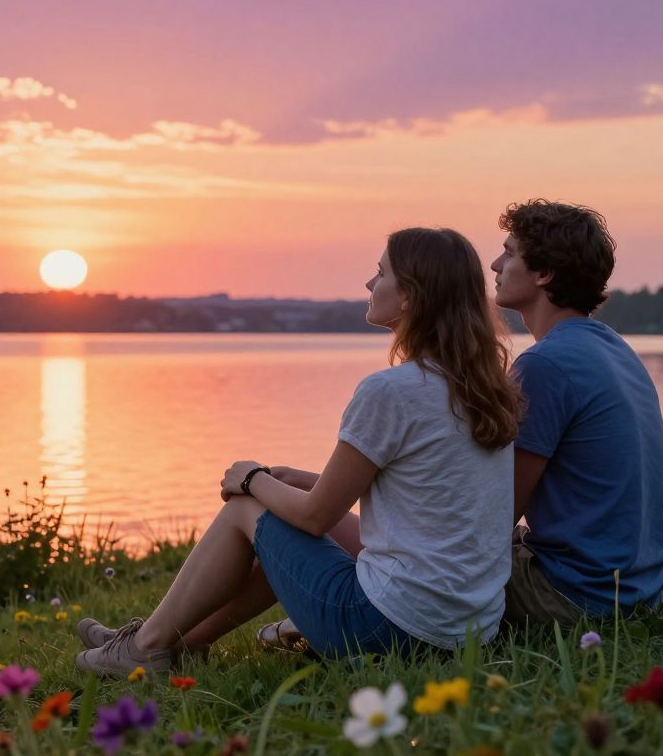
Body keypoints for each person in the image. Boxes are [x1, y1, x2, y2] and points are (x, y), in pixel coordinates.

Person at [74, 228, 523, 675]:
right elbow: (418, 489)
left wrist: (254, 479)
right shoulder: (482, 388)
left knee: (246, 510)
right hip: (467, 632)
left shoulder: (390, 391)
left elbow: (315, 518)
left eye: (380, 273)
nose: (369, 285)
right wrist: (301, 479)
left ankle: (145, 647)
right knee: (281, 512)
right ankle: (179, 641)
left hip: (387, 628)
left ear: (409, 296)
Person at [490, 199, 663, 625]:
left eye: (510, 252)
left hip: (576, 596)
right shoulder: (613, 348)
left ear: (544, 273)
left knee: (410, 561)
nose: (495, 264)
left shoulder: (545, 365)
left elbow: (497, 513)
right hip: (637, 592)